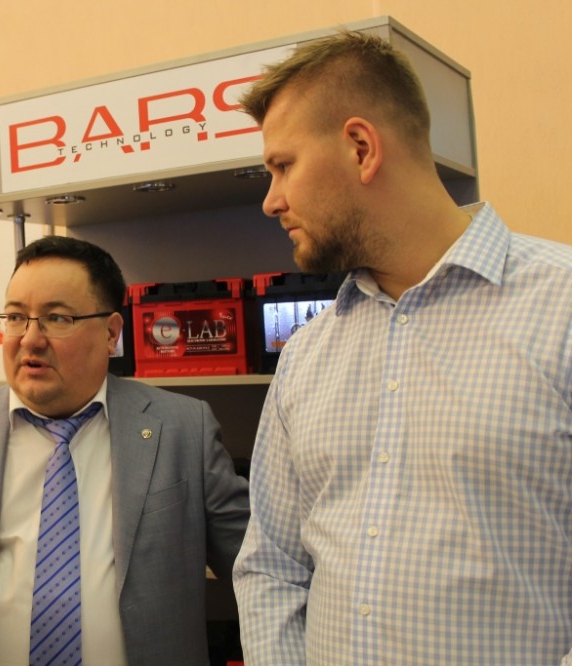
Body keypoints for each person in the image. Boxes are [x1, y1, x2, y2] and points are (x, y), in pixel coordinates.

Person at [231, 30, 572, 665]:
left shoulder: (563, 309)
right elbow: (272, 566)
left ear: (361, 147)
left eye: (283, 165)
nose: (271, 200)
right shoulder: (305, 355)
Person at [0, 235, 249, 665]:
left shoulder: (182, 430)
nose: (30, 339)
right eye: (16, 317)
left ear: (111, 334)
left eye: (56, 318)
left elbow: (260, 567)